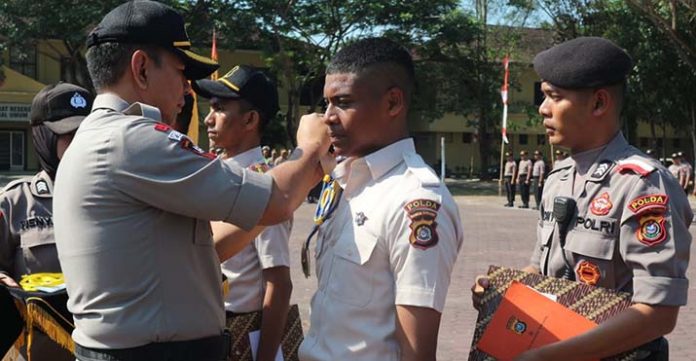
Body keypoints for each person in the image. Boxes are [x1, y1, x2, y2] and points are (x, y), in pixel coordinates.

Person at [52, 2, 331, 361]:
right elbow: (276, 200)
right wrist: (309, 146)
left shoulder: (98, 136)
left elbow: (210, 246)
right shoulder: (135, 140)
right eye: (181, 74)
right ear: (141, 68)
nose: (187, 93)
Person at [472, 36, 691, 360]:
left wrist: (554, 356)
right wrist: (506, 292)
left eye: (554, 97)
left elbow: (658, 313)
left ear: (599, 103)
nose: (542, 109)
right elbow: (547, 269)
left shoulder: (641, 185)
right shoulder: (559, 177)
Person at [298, 37, 463, 361]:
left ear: (392, 103)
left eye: (343, 102)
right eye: (327, 103)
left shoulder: (416, 200)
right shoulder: (345, 180)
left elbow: (416, 351)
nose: (328, 117)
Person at [193, 65, 293, 361]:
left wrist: (263, 357)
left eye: (220, 109)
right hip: (204, 327)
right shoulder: (215, 172)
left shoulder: (262, 186)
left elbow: (279, 282)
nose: (209, 119)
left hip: (238, 331)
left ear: (250, 119)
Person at [0, 83, 93, 361]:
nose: (80, 144)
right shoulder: (15, 203)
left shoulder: (116, 198)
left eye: (85, 134)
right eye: (68, 134)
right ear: (42, 136)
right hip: (38, 351)